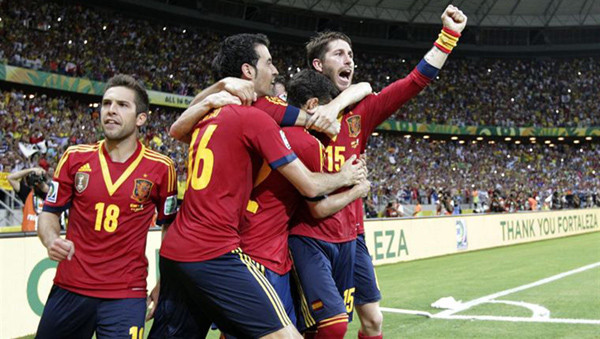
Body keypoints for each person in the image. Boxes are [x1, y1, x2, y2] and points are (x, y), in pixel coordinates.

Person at [150, 34, 367, 339]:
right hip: (216, 250)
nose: (275, 70)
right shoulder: (255, 119)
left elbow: (176, 129)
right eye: (268, 62)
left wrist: (214, 94)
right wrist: (347, 179)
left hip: (175, 252)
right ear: (248, 72)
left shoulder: (209, 114)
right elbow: (308, 186)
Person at [296, 5, 467, 338]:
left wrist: (449, 35)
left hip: (353, 235)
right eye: (339, 54)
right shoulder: (298, 111)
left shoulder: (362, 111)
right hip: (310, 234)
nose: (349, 60)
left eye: (351, 54)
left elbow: (415, 81)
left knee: (373, 321)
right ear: (318, 65)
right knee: (321, 327)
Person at [36, 74, 178, 338]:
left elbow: (169, 228)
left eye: (123, 105)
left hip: (125, 294)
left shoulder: (161, 168)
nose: (111, 110)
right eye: (106, 103)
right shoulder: (74, 158)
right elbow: (49, 213)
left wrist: (164, 283)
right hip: (70, 287)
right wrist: (51, 239)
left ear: (141, 119)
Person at [238, 69, 371, 329]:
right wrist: (354, 185)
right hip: (265, 247)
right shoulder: (308, 144)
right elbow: (317, 204)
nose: (334, 116)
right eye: (329, 108)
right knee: (323, 326)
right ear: (312, 105)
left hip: (247, 238)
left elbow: (364, 86)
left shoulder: (269, 124)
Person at [7, 166, 50, 231]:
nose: (38, 183)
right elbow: (10, 178)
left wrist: (42, 176)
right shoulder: (27, 193)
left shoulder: (51, 194)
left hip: (46, 236)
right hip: (28, 236)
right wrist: (31, 170)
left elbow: (47, 190)